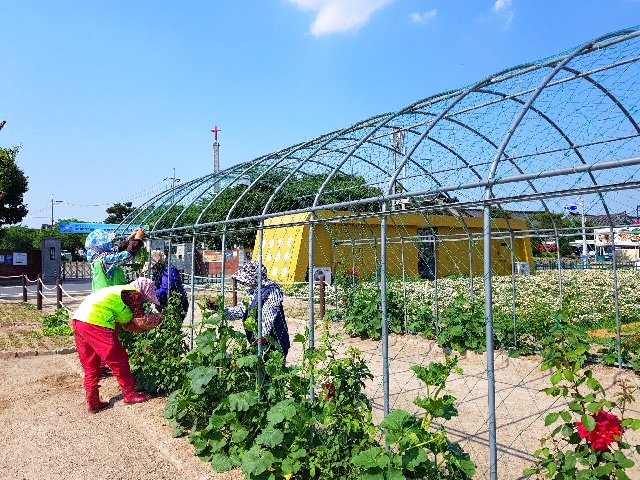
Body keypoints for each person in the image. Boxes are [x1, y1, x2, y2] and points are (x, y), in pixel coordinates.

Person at [71, 277, 163, 413]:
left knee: (91, 363)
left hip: (79, 320)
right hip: (96, 322)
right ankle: (130, 394)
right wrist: (158, 318)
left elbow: (128, 324)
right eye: (146, 298)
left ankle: (93, 402)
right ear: (144, 291)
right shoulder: (134, 294)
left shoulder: (121, 293)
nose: (144, 302)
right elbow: (141, 321)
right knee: (118, 359)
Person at [209, 260, 290, 360]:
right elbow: (239, 311)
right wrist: (218, 307)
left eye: (245, 279)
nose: (243, 282)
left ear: (255, 277)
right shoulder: (253, 292)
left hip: (274, 342)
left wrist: (262, 338)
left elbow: (268, 318)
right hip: (258, 341)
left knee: (271, 371)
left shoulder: (271, 290)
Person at [145, 250, 189, 319]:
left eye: (154, 266)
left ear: (159, 264)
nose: (152, 269)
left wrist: (149, 295)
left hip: (176, 304)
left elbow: (165, 289)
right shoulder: (158, 271)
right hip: (164, 303)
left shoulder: (170, 271)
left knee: (171, 327)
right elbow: (154, 286)